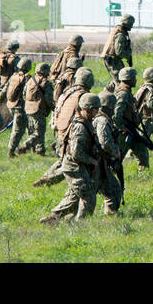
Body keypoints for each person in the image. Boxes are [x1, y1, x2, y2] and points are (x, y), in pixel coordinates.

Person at [40, 93, 101, 224]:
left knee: (74, 196)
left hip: (77, 164)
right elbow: (76, 152)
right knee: (88, 194)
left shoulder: (86, 121)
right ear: (88, 108)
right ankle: (81, 225)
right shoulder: (80, 127)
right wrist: (92, 161)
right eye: (95, 109)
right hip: (74, 166)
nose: (97, 112)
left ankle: (53, 219)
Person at [34, 67, 95, 187]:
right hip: (69, 133)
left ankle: (44, 178)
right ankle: (48, 181)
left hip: (59, 131)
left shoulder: (68, 91)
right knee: (73, 163)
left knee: (63, 160)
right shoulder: (84, 97)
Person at [112, 67, 150, 169]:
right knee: (118, 158)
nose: (136, 80)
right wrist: (122, 127)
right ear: (129, 79)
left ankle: (144, 175)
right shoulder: (123, 94)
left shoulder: (126, 91)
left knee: (142, 151)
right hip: (124, 132)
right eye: (134, 77)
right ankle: (109, 179)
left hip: (131, 130)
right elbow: (116, 114)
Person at [95, 92, 124, 216]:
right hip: (98, 162)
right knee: (113, 190)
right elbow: (105, 143)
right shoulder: (102, 121)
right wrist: (116, 153)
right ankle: (111, 215)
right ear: (108, 107)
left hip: (97, 161)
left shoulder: (97, 117)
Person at [21, 62, 55, 155]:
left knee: (31, 130)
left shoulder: (30, 80)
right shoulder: (46, 83)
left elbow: (24, 94)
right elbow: (49, 99)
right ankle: (25, 145)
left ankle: (39, 150)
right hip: (39, 109)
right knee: (39, 132)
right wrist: (54, 109)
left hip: (28, 108)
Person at [5, 58, 34, 157]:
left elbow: (5, 89)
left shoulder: (14, 76)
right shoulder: (27, 78)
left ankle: (29, 148)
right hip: (20, 107)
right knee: (17, 130)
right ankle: (11, 151)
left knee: (25, 127)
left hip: (11, 105)